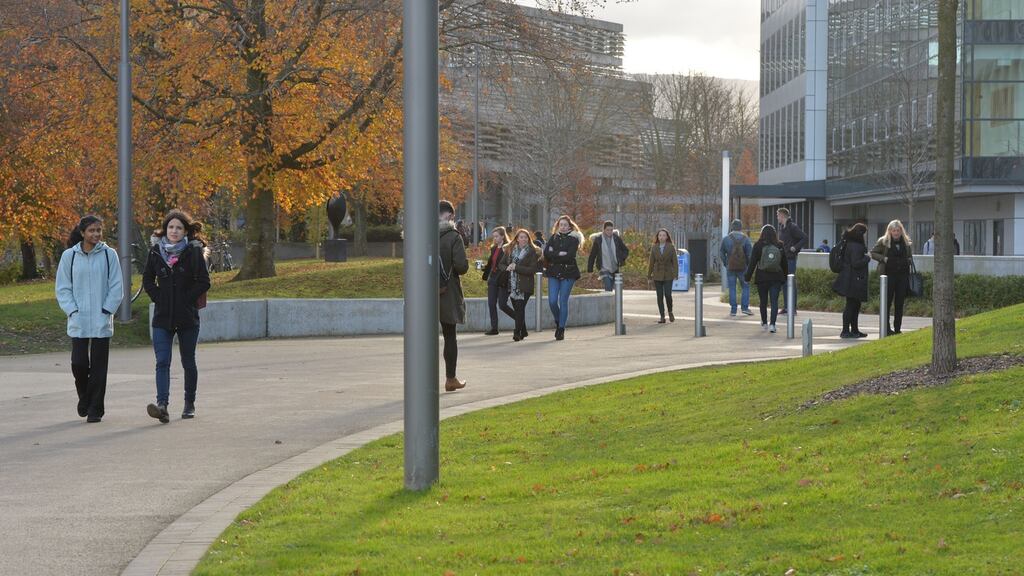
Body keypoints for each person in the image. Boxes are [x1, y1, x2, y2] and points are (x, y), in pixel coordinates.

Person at [142, 210, 211, 423]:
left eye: (179, 228)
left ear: (185, 231)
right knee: (162, 361)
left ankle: (189, 403)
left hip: (187, 317)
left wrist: (186, 300)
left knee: (188, 361)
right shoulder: (155, 252)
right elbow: (147, 280)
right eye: (171, 227)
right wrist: (159, 297)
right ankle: (162, 405)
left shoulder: (193, 252)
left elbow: (204, 282)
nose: (174, 231)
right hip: (162, 317)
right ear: (165, 229)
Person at [55, 215, 124, 423]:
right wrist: (72, 311)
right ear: (82, 232)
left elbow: (116, 286)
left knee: (99, 367)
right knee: (79, 363)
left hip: (101, 319)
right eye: (92, 230)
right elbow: (63, 288)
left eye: (99, 230)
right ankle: (84, 397)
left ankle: (95, 410)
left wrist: (107, 310)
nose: (96, 234)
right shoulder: (70, 256)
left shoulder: (109, 254)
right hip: (79, 319)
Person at [439, 201, 469, 391]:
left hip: (421, 292)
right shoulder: (452, 236)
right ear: (450, 215)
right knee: (449, 336)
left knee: (422, 337)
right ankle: (450, 379)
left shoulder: (418, 233)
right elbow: (462, 267)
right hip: (446, 292)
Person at [543, 215, 584, 341]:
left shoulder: (574, 239)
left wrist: (554, 253)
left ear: (569, 226)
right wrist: (559, 253)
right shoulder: (554, 237)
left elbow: (569, 256)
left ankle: (561, 329)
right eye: (561, 224)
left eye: (565, 225)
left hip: (568, 272)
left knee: (563, 300)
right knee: (552, 301)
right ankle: (558, 320)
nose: (563, 227)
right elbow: (546, 254)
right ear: (558, 225)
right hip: (554, 272)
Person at [744, 224, 789, 333]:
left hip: (762, 277)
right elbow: (784, 263)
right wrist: (785, 277)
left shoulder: (758, 245)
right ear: (774, 234)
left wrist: (747, 277)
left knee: (763, 301)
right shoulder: (779, 245)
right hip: (776, 277)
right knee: (774, 302)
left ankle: (764, 323)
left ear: (762, 234)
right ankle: (772, 324)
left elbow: (752, 263)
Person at [871, 219, 913, 335]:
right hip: (888, 276)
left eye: (898, 230)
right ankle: (886, 328)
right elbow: (873, 253)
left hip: (902, 276)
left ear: (901, 231)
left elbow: (909, 255)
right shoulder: (883, 242)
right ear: (889, 231)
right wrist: (884, 259)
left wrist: (908, 260)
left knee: (899, 303)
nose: (896, 233)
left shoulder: (906, 242)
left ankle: (898, 328)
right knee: (887, 302)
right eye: (894, 230)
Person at [499, 229, 543, 341]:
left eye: (525, 237)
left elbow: (532, 269)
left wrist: (516, 267)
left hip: (525, 286)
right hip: (512, 285)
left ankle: (517, 332)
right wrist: (507, 267)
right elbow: (501, 264)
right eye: (521, 237)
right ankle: (523, 331)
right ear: (517, 239)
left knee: (519, 309)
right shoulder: (510, 250)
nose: (523, 239)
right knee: (519, 310)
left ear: (528, 239)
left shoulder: (532, 252)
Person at [832, 223, 871, 339]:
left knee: (855, 304)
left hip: (849, 278)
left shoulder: (848, 243)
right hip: (853, 280)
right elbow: (856, 263)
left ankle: (854, 330)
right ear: (861, 234)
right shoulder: (856, 246)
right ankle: (846, 331)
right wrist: (867, 257)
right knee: (851, 305)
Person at [481, 226, 513, 335]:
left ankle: (519, 320)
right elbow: (492, 264)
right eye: (493, 236)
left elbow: (505, 264)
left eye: (496, 236)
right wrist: (484, 268)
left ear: (503, 236)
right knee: (491, 304)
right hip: (493, 278)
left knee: (502, 305)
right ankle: (494, 328)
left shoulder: (507, 248)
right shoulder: (494, 248)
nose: (494, 238)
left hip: (503, 278)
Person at [776, 208, 807, 313]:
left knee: (790, 283)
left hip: (790, 259)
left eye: (778, 215)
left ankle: (792, 308)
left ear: (782, 215)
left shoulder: (792, 227)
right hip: (783, 259)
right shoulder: (782, 228)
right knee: (784, 283)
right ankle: (786, 307)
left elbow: (804, 238)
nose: (777, 218)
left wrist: (795, 247)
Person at [720, 219, 753, 317]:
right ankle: (745, 308)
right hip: (743, 268)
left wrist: (726, 263)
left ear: (732, 227)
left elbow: (722, 253)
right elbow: (749, 255)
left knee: (732, 288)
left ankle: (733, 310)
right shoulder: (746, 238)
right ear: (741, 227)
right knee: (745, 287)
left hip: (731, 267)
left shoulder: (726, 238)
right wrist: (747, 266)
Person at [587, 220, 629, 292]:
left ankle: (611, 302)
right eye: (607, 230)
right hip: (604, 269)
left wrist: (621, 258)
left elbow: (625, 250)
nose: (609, 232)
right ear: (603, 230)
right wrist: (590, 270)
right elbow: (592, 256)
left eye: (611, 230)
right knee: (608, 287)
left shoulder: (616, 238)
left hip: (615, 268)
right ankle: (608, 303)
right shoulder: (598, 240)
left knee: (612, 289)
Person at [647, 228, 678, 323]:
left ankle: (670, 311)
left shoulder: (671, 247)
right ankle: (662, 316)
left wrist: (676, 274)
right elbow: (651, 262)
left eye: (664, 235)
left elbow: (675, 262)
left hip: (668, 274)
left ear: (667, 236)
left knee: (668, 294)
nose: (662, 237)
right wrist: (649, 275)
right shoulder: (654, 247)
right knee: (659, 296)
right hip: (657, 274)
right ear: (657, 237)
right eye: (660, 235)